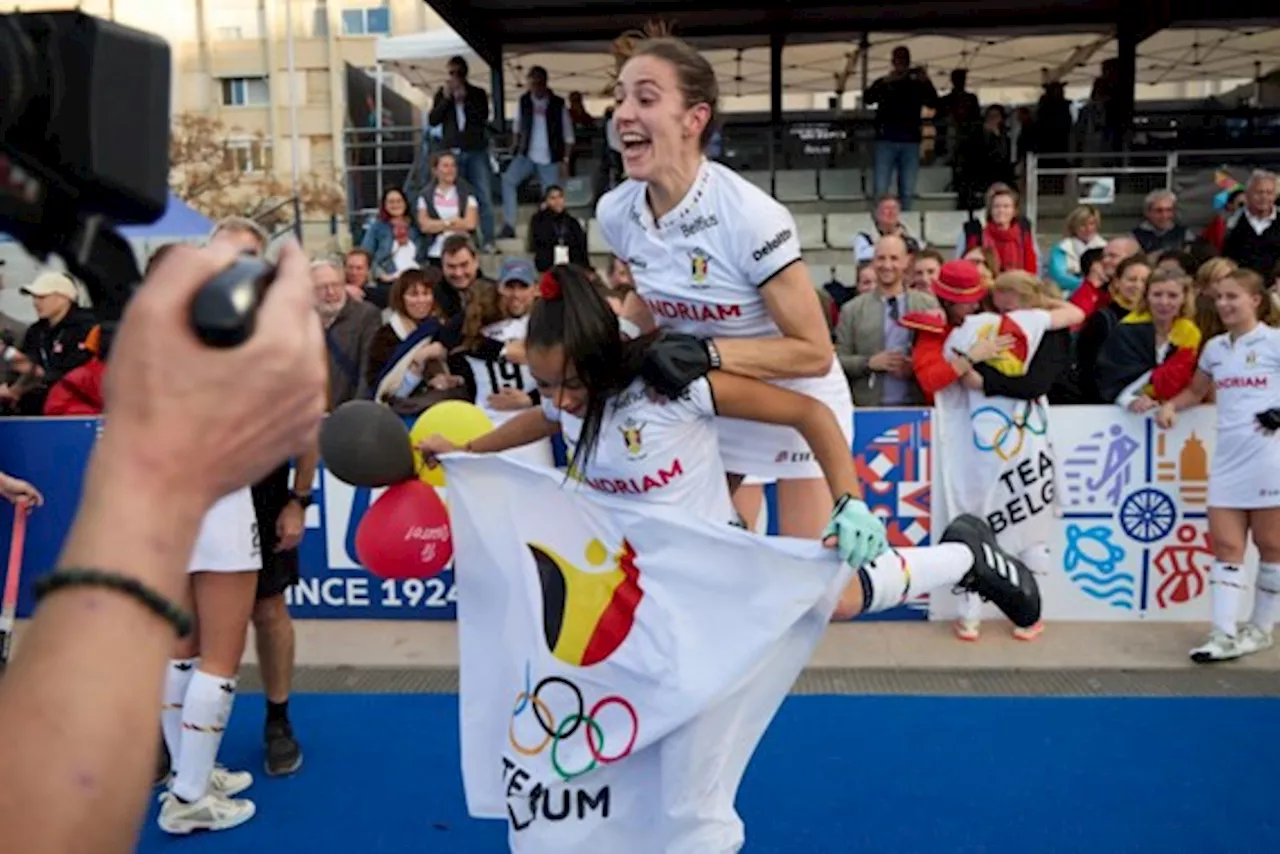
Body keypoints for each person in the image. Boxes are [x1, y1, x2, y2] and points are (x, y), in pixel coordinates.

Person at [418, 264, 1040, 849]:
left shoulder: (671, 388)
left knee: (696, 802)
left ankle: (965, 556)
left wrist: (850, 501)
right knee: (827, 602)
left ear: (601, 354)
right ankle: (966, 554)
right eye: (547, 384)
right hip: (644, 617)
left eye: (570, 383)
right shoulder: (566, 397)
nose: (561, 398)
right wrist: (471, 448)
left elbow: (808, 411)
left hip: (717, 604)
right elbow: (543, 422)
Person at [0, 238, 325, 852]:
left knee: (183, 649)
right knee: (218, 658)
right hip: (218, 503)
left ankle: (189, 773)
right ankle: (190, 798)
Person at [596, 35, 857, 565]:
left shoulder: (749, 217)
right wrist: (618, 344)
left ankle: (965, 557)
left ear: (695, 119)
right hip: (717, 403)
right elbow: (653, 297)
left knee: (825, 591)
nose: (623, 114)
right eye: (619, 98)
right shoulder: (614, 211)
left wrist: (709, 353)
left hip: (797, 404)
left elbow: (814, 351)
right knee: (713, 564)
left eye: (645, 99)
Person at [935, 271, 1085, 641]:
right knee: (1015, 521)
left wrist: (984, 382)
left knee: (991, 521)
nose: (1004, 306)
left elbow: (1032, 382)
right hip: (1014, 438)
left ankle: (1009, 613)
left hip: (991, 438)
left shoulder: (974, 330)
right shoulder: (1037, 325)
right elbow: (1037, 379)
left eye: (1008, 297)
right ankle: (1004, 614)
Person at [1156, 268, 1280, 663]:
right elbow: (1197, 389)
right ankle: (1222, 634)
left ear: (1256, 301)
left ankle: (1261, 628)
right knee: (1226, 546)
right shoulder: (1214, 349)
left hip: (1269, 458)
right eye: (1220, 298)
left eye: (1233, 297)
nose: (1224, 304)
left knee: (1272, 546)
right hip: (1227, 460)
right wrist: (1172, 406)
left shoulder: (1275, 343)